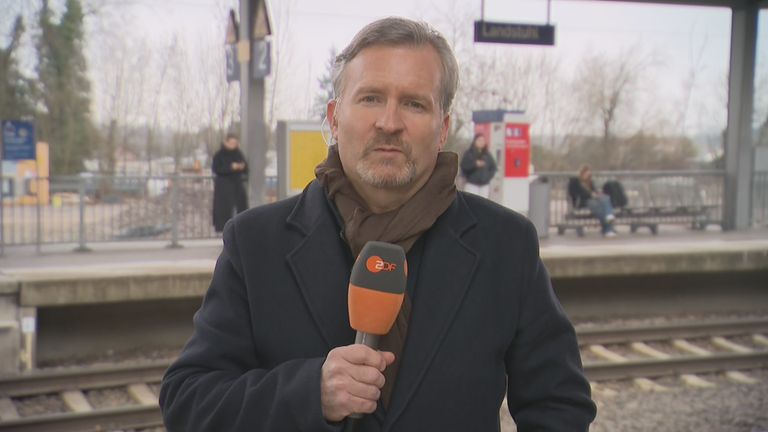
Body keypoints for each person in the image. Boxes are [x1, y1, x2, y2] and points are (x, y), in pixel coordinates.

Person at [160, 17, 596, 431]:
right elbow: (189, 401)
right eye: (370, 98)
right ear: (333, 118)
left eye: (413, 103)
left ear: (442, 129)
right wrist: (311, 393)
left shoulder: (507, 245)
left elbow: (560, 403)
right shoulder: (256, 243)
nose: (390, 123)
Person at [211, 133, 248, 232]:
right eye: (231, 143)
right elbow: (217, 169)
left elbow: (246, 168)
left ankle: (241, 230)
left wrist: (242, 167)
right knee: (224, 212)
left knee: (241, 209)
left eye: (235, 143)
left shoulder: (238, 154)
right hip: (224, 186)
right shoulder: (219, 155)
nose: (233, 145)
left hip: (237, 185)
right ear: (226, 142)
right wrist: (231, 167)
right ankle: (225, 231)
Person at [568, 164, 617, 237]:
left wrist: (597, 194)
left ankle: (609, 215)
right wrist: (589, 194)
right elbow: (574, 194)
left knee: (605, 197)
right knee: (598, 206)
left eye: (588, 175)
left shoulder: (590, 181)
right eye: (586, 174)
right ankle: (608, 229)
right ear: (582, 173)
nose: (587, 176)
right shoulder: (575, 181)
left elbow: (594, 191)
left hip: (592, 198)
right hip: (582, 201)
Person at [460, 133, 497, 198]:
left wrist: (487, 177)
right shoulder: (469, 154)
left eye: (483, 141)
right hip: (472, 184)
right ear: (475, 141)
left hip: (484, 186)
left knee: (483, 205)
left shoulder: (487, 154)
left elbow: (493, 167)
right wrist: (475, 165)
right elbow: (463, 167)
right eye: (479, 140)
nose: (481, 142)